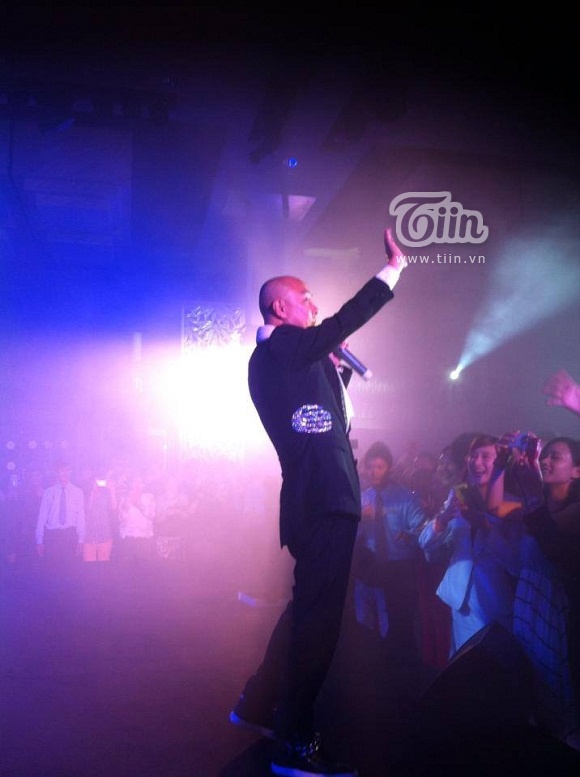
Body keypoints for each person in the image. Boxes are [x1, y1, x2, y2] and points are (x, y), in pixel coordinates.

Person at [229, 227, 409, 777]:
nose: (313, 306)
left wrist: (335, 368)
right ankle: (295, 743)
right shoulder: (277, 346)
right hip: (323, 501)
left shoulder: (293, 360)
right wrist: (390, 273)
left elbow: (323, 419)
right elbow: (334, 326)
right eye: (304, 298)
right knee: (318, 625)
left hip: (323, 499)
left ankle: (259, 703)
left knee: (304, 614)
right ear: (279, 308)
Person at [488, 434, 580, 750]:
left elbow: (546, 531)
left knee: (557, 693)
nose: (546, 460)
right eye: (545, 455)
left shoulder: (575, 510)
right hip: (528, 605)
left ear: (577, 471)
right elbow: (495, 506)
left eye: (556, 456)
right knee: (532, 688)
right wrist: (500, 467)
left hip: (555, 611)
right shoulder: (532, 505)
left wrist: (530, 489)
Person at [418, 435, 523, 657]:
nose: (477, 462)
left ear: (500, 462)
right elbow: (425, 543)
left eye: (486, 456)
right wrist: (443, 518)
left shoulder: (513, 503)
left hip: (495, 603)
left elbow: (515, 564)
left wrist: (482, 525)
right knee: (464, 666)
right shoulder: (458, 494)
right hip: (461, 603)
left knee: (495, 668)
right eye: (473, 456)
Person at [351, 441, 426, 688]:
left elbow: (422, 528)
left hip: (398, 569)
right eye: (370, 467)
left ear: (389, 468)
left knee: (394, 621)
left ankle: (395, 674)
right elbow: (352, 535)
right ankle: (369, 667)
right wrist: (359, 519)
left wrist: (409, 534)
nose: (374, 472)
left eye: (379, 467)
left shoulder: (404, 497)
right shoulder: (363, 499)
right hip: (369, 566)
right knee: (365, 616)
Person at [35, 462, 85, 569]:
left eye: (68, 470)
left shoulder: (77, 492)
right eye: (62, 470)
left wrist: (81, 540)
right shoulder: (48, 492)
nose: (65, 473)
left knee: (71, 571)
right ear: (57, 473)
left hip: (70, 535)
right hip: (53, 536)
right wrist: (39, 540)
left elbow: (81, 517)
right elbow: (42, 517)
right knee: (52, 571)